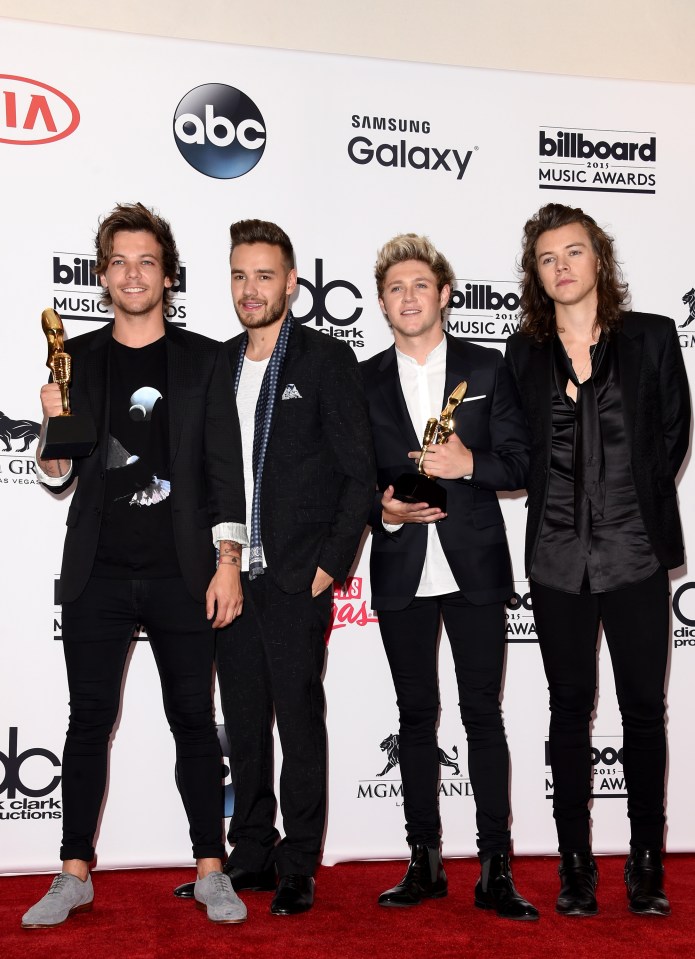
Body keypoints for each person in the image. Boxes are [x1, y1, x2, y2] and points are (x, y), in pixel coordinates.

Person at [23, 203, 248, 928]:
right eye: (118, 261)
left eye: (146, 260)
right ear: (101, 275)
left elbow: (223, 468)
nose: (132, 273)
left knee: (192, 719)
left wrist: (226, 561)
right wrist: (51, 430)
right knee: (87, 719)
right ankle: (72, 871)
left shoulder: (206, 359)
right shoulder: (78, 360)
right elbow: (61, 474)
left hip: (185, 571)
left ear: (168, 274)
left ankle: (211, 867)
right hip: (98, 572)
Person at [174, 219, 374, 914]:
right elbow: (203, 472)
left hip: (295, 578)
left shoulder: (325, 360)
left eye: (264, 275)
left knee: (297, 719)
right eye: (238, 275)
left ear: (291, 282)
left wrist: (329, 566)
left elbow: (358, 472)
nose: (250, 289)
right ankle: (252, 850)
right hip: (230, 577)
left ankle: (298, 862)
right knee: (245, 717)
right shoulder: (218, 363)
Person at [505, 203, 690, 917]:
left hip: (635, 554)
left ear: (598, 260)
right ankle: (574, 865)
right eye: (548, 257)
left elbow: (672, 433)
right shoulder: (521, 353)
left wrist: (629, 502)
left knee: (644, 712)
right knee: (566, 713)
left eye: (573, 252)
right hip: (555, 559)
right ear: (536, 272)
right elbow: (519, 449)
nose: (561, 266)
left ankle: (646, 864)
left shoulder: (649, 337)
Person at [361, 233, 538, 920]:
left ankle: (495, 866)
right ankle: (424, 860)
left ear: (443, 293)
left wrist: (470, 465)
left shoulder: (487, 368)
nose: (408, 296)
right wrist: (386, 509)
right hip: (402, 563)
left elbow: (521, 462)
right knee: (413, 719)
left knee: (482, 717)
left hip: (474, 566)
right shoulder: (362, 377)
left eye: (419, 284)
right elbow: (353, 476)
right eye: (395, 287)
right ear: (381, 302)